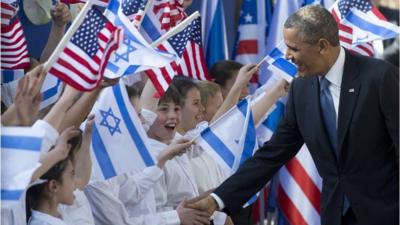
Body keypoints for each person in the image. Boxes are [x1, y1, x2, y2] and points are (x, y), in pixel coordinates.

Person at [188, 5, 399, 225]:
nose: (287, 56)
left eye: (294, 48)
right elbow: (272, 154)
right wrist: (217, 200)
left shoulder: (380, 78)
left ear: (322, 46)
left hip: (386, 214)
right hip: (335, 216)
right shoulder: (301, 89)